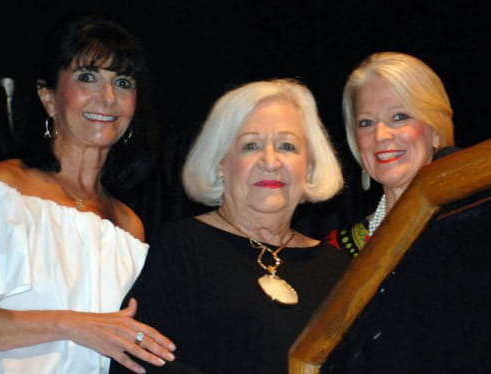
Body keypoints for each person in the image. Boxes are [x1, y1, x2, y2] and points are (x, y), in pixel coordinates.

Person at [0, 15, 175, 374]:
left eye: (123, 82)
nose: (108, 97)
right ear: (48, 97)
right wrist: (73, 325)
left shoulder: (129, 227)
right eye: (87, 77)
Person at [110, 79, 351, 374]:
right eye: (251, 145)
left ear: (310, 166)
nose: (271, 161)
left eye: (287, 146)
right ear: (221, 162)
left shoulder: (338, 269)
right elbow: (141, 362)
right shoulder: (184, 247)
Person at [328, 52, 456, 257]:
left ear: (435, 131)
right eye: (366, 123)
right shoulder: (334, 253)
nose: (380, 136)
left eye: (399, 117)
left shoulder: (475, 217)